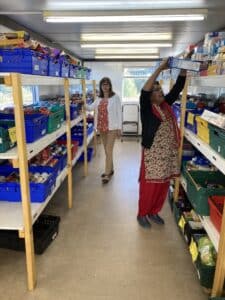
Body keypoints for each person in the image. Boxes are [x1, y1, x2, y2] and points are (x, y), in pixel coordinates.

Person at [137, 58, 187, 228]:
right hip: (153, 153)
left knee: (163, 184)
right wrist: (159, 69)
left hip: (168, 153)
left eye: (161, 90)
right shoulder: (147, 107)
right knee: (150, 185)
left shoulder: (166, 105)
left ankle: (154, 211)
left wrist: (185, 69)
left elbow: (178, 87)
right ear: (150, 95)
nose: (160, 92)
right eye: (156, 90)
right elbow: (144, 91)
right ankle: (143, 213)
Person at [86, 77, 122, 184]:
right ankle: (110, 169)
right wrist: (83, 104)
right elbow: (91, 108)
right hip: (102, 128)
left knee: (108, 150)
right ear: (101, 87)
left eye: (107, 84)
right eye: (103, 85)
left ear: (110, 85)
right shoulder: (98, 98)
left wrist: (119, 128)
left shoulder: (115, 97)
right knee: (107, 151)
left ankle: (107, 174)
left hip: (112, 128)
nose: (105, 86)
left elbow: (119, 113)